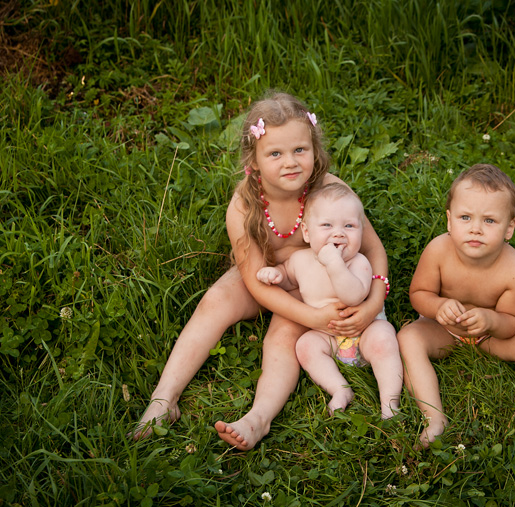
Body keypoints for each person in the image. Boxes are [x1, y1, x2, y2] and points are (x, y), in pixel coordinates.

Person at [131, 91, 390, 450]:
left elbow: (374, 250)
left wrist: (372, 303)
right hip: (266, 278)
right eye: (275, 154)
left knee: (281, 338)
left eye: (300, 150)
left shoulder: (330, 191)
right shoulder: (244, 205)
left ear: (315, 150)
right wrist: (312, 318)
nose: (290, 162)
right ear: (253, 160)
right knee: (215, 301)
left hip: (320, 283)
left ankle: (258, 419)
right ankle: (164, 398)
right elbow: (255, 283)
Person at [397, 164, 515, 462]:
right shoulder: (437, 250)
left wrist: (491, 320)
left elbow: (513, 322)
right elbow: (419, 294)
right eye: (465, 217)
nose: (476, 229)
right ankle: (434, 418)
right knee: (408, 337)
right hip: (443, 330)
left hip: (490, 337)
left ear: (509, 227)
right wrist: (438, 306)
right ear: (449, 220)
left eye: (489, 220)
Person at [256, 183, 402, 418]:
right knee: (306, 346)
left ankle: (390, 402)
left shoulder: (359, 262)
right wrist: (275, 275)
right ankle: (339, 389)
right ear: (306, 232)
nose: (339, 233)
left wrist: (334, 264)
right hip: (328, 337)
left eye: (349, 226)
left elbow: (353, 296)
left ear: (361, 232)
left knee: (384, 336)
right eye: (327, 225)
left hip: (365, 334)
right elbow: (288, 278)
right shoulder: (300, 260)